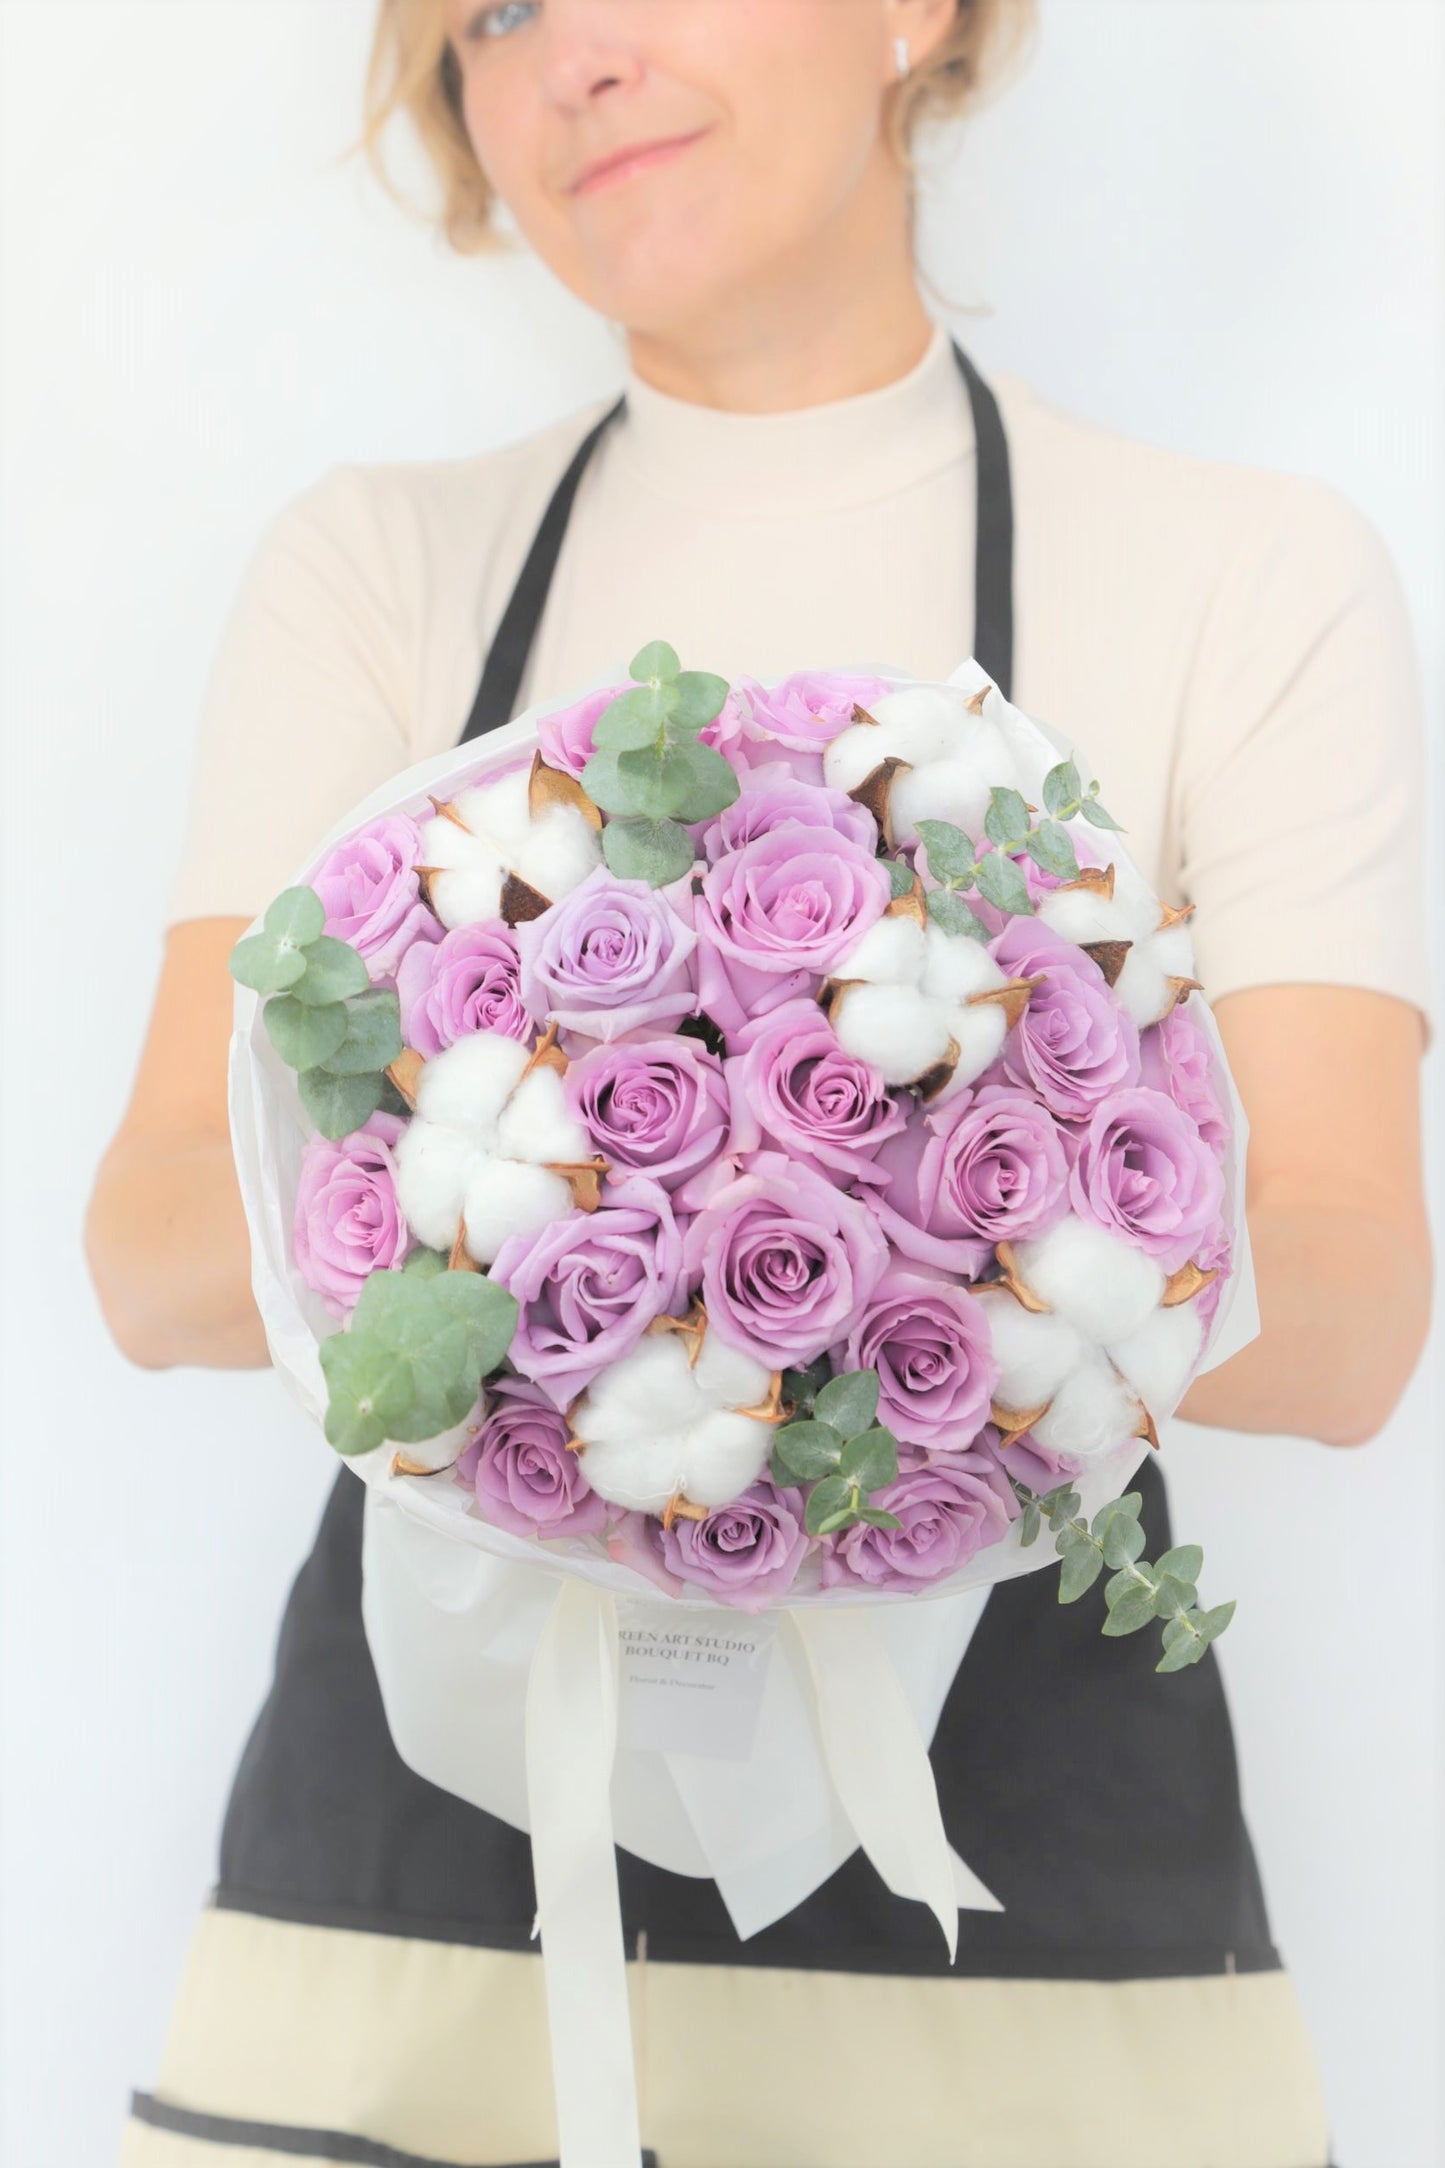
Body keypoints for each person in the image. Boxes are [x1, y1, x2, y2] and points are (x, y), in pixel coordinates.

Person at [88, 3, 1432, 2164]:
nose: (567, 61)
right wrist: (620, 1296)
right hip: (417, 1937)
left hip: (1037, 1959)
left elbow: (1355, 1301)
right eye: (490, 16)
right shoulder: (384, 569)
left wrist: (881, 1316)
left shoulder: (1240, 574)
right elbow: (157, 1242)